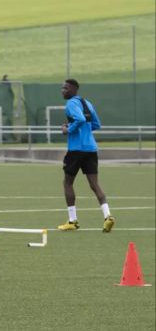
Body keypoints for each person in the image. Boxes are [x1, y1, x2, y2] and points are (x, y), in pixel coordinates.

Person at [58, 79, 114, 232]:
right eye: (62, 88)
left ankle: (72, 221)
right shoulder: (87, 104)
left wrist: (68, 129)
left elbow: (80, 119)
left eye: (65, 88)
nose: (63, 91)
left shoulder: (71, 104)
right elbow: (96, 124)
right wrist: (81, 130)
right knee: (95, 185)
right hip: (90, 149)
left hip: (76, 149)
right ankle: (108, 216)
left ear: (74, 89)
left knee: (67, 183)